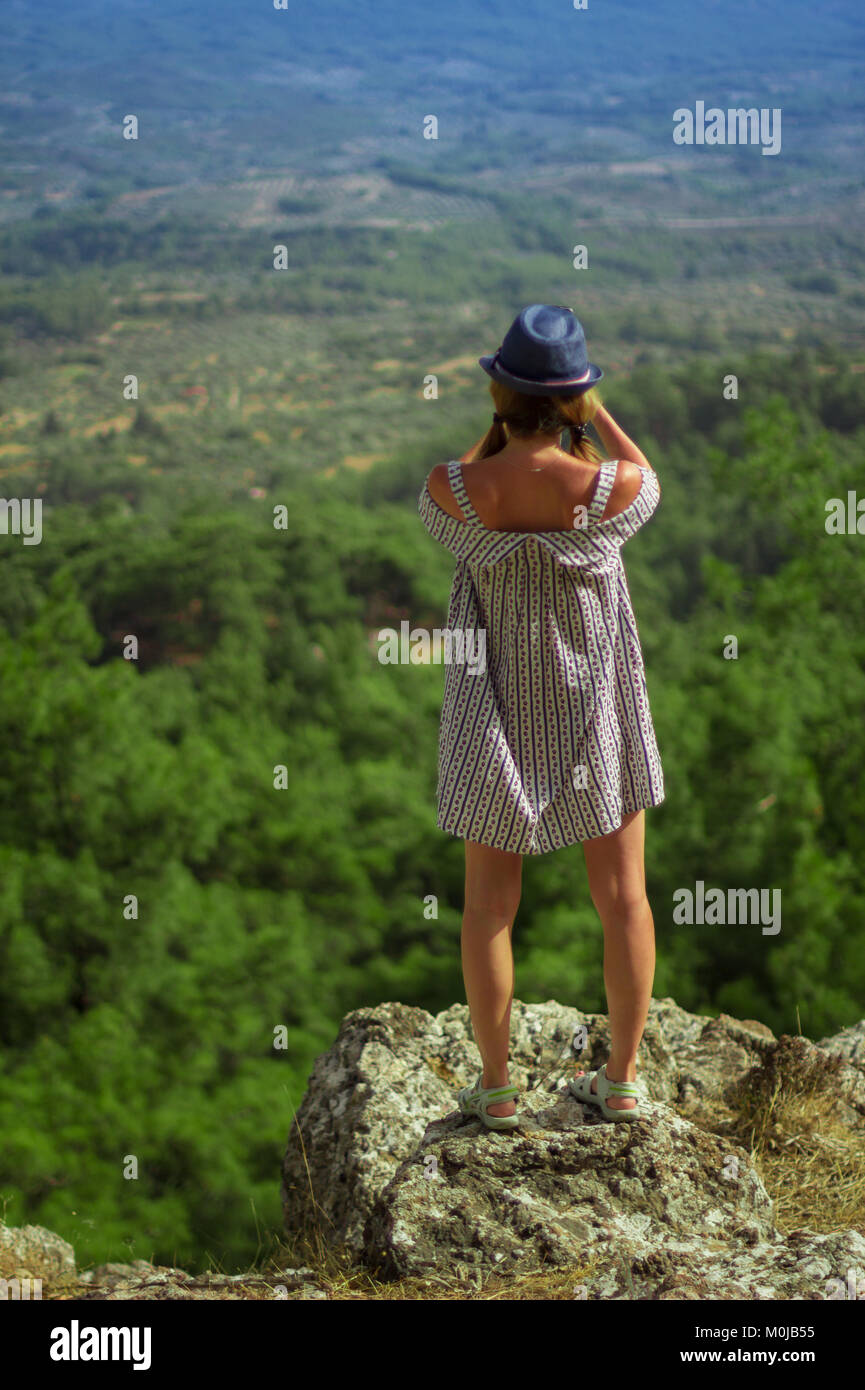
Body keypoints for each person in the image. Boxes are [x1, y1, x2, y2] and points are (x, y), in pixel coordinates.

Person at [417, 304, 665, 1129]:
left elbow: (455, 482)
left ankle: (494, 1089)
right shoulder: (609, 492)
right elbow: (647, 473)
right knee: (622, 896)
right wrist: (590, 414)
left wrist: (496, 429)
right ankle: (621, 1079)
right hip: (594, 710)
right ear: (575, 400)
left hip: (494, 713)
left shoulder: (453, 493)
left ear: (499, 392)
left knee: (488, 907)